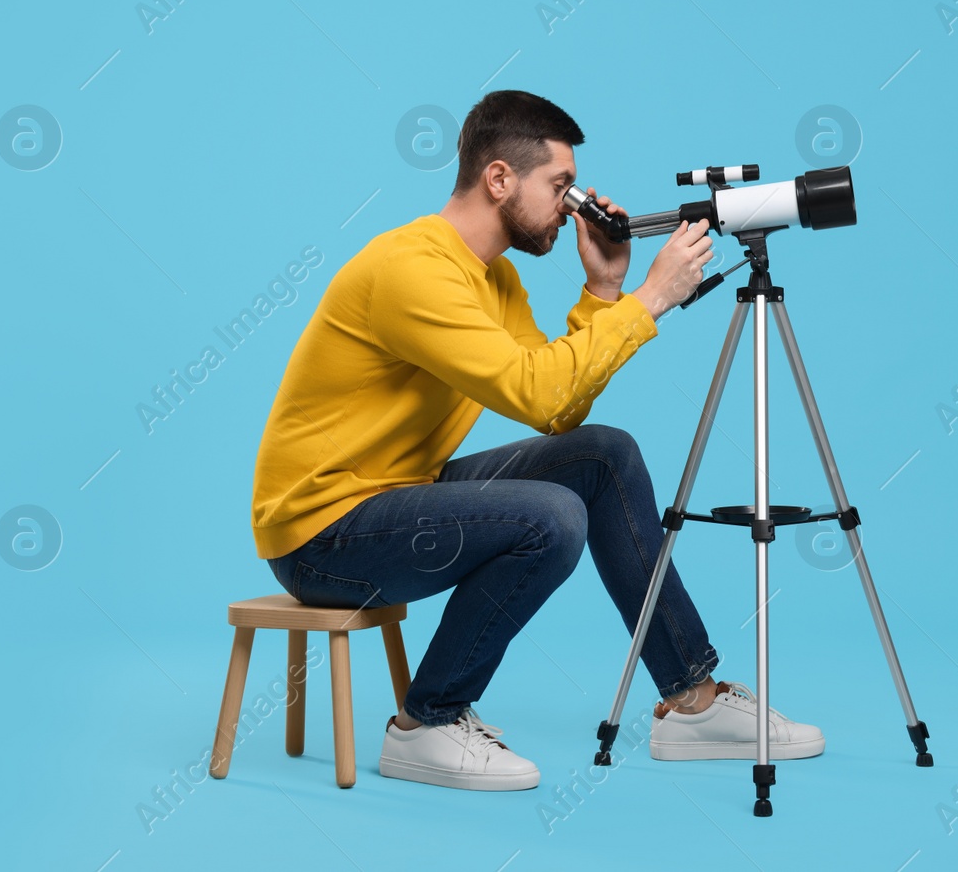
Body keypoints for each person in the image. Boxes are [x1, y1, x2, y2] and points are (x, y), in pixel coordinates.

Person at [251, 90, 822, 791]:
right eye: (559, 185)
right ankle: (427, 722)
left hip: (400, 495)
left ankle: (690, 699)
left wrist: (605, 288)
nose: (570, 203)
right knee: (550, 517)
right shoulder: (413, 268)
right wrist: (651, 299)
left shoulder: (498, 278)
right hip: (321, 535)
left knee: (602, 453)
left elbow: (556, 411)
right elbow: (540, 390)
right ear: (499, 179)